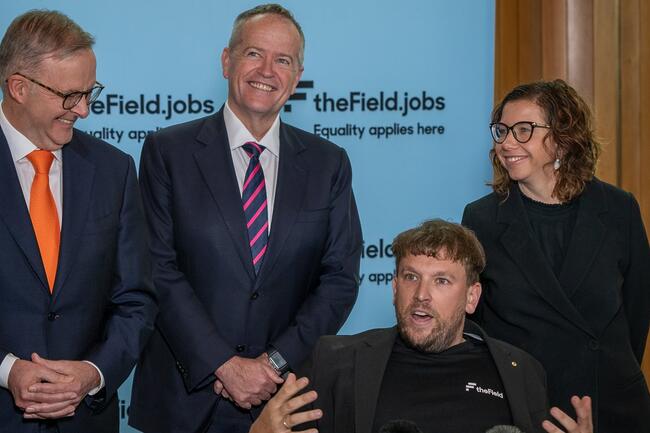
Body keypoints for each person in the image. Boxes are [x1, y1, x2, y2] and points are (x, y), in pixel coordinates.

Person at [129, 4, 362, 433]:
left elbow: (339, 279)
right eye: (254, 53)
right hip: (184, 398)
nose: (267, 70)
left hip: (283, 398)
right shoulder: (168, 153)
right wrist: (223, 364)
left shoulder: (329, 164)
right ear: (226, 61)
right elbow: (157, 268)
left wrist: (271, 363)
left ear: (296, 76)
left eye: (283, 60)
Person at [462, 79, 650, 432]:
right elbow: (478, 327)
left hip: (610, 407)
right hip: (526, 409)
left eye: (523, 130)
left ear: (563, 138)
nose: (506, 143)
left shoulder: (619, 210)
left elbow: (637, 312)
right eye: (501, 130)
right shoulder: (481, 219)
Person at [0, 10, 157, 433]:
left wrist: (93, 372)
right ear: (19, 87)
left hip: (86, 420)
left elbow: (136, 300)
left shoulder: (114, 170)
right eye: (70, 95)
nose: (84, 111)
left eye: (90, 93)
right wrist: (7, 369)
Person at [300, 220, 593, 433]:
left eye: (441, 281)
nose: (421, 295)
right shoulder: (336, 361)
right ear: (393, 288)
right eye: (411, 277)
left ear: (471, 297)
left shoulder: (523, 372)